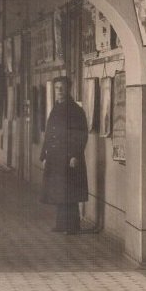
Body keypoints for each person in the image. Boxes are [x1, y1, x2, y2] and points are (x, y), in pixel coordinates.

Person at [40, 76, 89, 234]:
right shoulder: (56, 108)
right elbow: (49, 132)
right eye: (57, 88)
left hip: (68, 157)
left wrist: (75, 155)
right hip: (55, 157)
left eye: (62, 87)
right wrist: (44, 154)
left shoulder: (75, 110)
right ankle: (61, 224)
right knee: (59, 191)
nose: (59, 90)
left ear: (69, 88)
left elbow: (81, 134)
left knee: (70, 192)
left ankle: (73, 226)